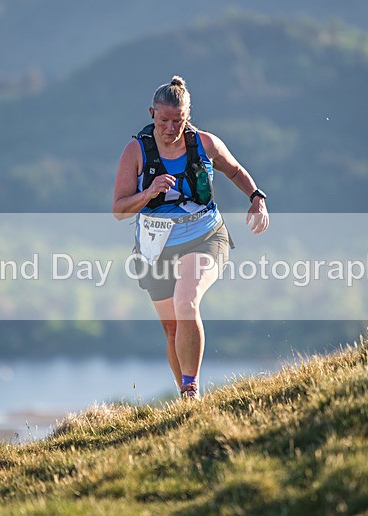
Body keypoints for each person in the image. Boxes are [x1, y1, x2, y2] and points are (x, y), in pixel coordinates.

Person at [112, 75, 269, 400]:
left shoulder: (205, 143)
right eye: (164, 121)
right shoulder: (136, 151)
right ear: (152, 114)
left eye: (179, 120)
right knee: (172, 329)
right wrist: (149, 193)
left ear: (188, 116)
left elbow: (235, 170)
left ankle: (191, 388)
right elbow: (119, 209)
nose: (171, 128)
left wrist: (256, 197)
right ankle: (186, 397)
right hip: (155, 247)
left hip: (205, 236)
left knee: (186, 303)